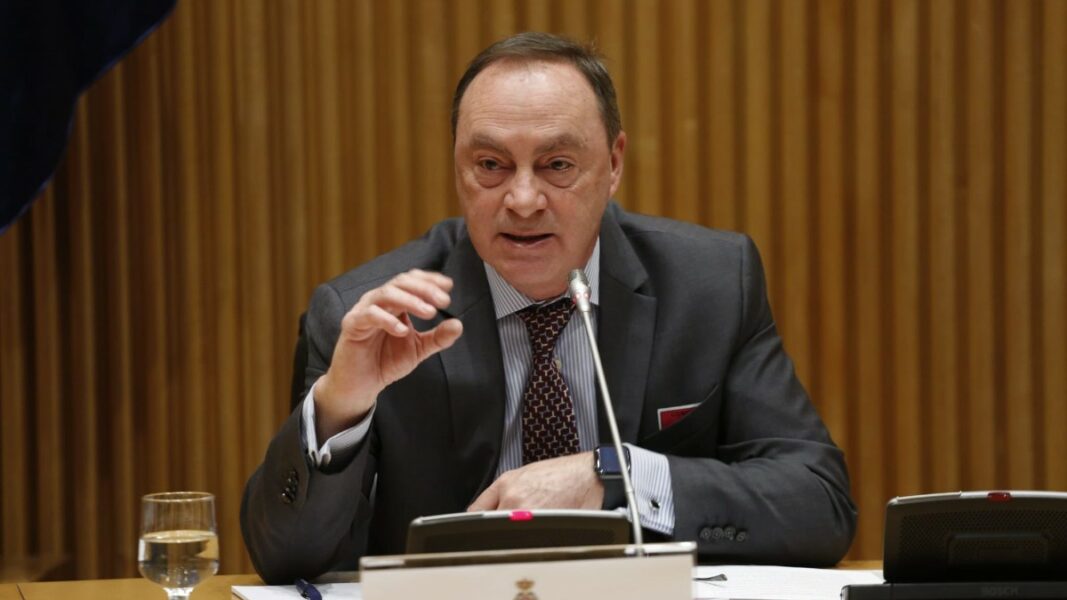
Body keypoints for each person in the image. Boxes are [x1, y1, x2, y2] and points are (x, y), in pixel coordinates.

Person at [240, 32, 856, 584]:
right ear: (457, 167)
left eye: (557, 165)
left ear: (613, 164)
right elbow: (286, 561)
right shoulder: (371, 319)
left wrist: (615, 475)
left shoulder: (710, 286)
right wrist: (339, 409)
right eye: (491, 166)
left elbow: (818, 503)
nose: (523, 199)